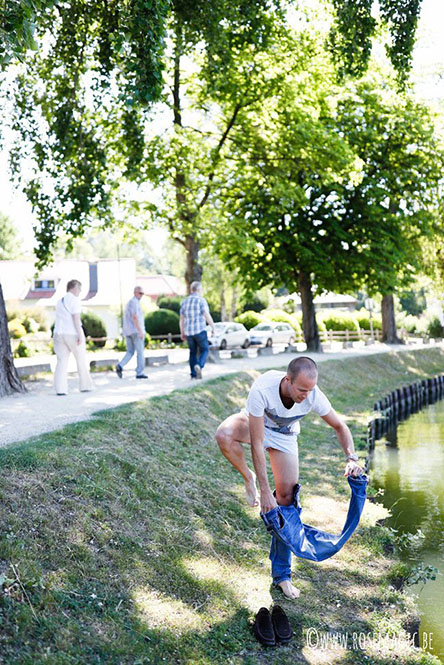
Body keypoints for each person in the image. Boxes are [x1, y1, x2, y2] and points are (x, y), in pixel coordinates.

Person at [215, 356, 364, 599]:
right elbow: (257, 443)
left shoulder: (313, 395)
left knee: (286, 501)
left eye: (310, 389)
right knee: (224, 435)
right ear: (287, 380)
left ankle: (282, 576)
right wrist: (264, 490)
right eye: (302, 389)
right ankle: (247, 477)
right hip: (258, 427)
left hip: (285, 437)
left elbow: (340, 427)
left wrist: (352, 458)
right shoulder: (262, 389)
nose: (306, 395)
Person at [53, 279, 93, 395]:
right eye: (79, 288)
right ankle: (85, 386)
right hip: (72, 333)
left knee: (61, 362)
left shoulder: (59, 301)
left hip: (58, 334)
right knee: (80, 360)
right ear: (74, 287)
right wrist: (80, 335)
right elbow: (76, 319)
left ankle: (60, 390)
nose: (80, 291)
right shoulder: (75, 300)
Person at [180, 281, 216, 379]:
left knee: (192, 352)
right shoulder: (201, 300)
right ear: (199, 290)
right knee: (205, 349)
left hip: (189, 332)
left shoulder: (184, 301)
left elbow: (182, 319)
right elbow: (206, 315)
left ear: (192, 289)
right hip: (200, 331)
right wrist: (213, 327)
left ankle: (193, 374)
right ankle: (199, 365)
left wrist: (182, 332)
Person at [116, 286, 148, 379]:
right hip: (136, 331)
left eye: (142, 293)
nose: (141, 295)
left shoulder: (130, 303)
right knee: (140, 352)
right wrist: (140, 331)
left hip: (128, 331)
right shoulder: (134, 302)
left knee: (130, 352)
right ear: (135, 292)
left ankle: (120, 365)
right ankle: (140, 372)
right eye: (140, 293)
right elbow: (134, 317)